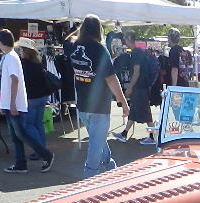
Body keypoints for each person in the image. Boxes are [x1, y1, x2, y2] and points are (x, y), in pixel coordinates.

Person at [64, 15, 130, 178]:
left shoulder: (73, 46)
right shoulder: (100, 49)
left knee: (97, 138)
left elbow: (65, 40)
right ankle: (90, 176)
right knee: (95, 142)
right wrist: (123, 102)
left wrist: (75, 30)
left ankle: (109, 165)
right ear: (98, 30)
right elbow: (111, 79)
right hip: (99, 106)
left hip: (83, 105)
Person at [0, 29, 54, 173]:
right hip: (18, 102)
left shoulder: (10, 57)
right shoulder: (13, 57)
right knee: (18, 134)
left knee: (22, 133)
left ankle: (45, 155)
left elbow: (14, 80)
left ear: (0, 43)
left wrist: (11, 103)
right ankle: (20, 163)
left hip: (16, 103)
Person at [113, 40, 158, 145]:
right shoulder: (138, 53)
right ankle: (124, 133)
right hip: (141, 87)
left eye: (126, 40)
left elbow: (136, 72)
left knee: (146, 112)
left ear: (129, 40)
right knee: (134, 110)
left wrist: (130, 87)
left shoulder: (136, 54)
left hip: (140, 87)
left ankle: (152, 137)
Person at [17, 37, 52, 160]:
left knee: (29, 125)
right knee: (38, 124)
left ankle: (41, 150)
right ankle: (42, 149)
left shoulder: (22, 64)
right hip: (42, 96)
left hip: (31, 98)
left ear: (23, 50)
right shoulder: (38, 62)